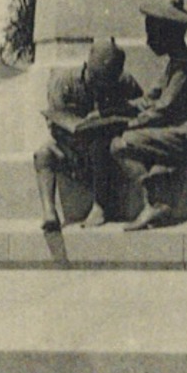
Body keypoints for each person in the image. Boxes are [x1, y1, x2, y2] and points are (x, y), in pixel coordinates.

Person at [109, 0, 187, 231]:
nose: (148, 40)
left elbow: (164, 108)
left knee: (122, 145)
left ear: (169, 33)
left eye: (153, 33)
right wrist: (118, 112)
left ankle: (156, 203)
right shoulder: (176, 61)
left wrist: (128, 125)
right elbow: (151, 99)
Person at [33, 40, 142, 232]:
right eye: (96, 81)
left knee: (100, 144)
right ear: (87, 68)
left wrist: (113, 115)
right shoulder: (64, 82)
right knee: (43, 154)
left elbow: (140, 109)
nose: (100, 88)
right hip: (70, 146)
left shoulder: (125, 82)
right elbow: (54, 121)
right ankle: (49, 212)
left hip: (104, 152)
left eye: (106, 84)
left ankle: (100, 206)